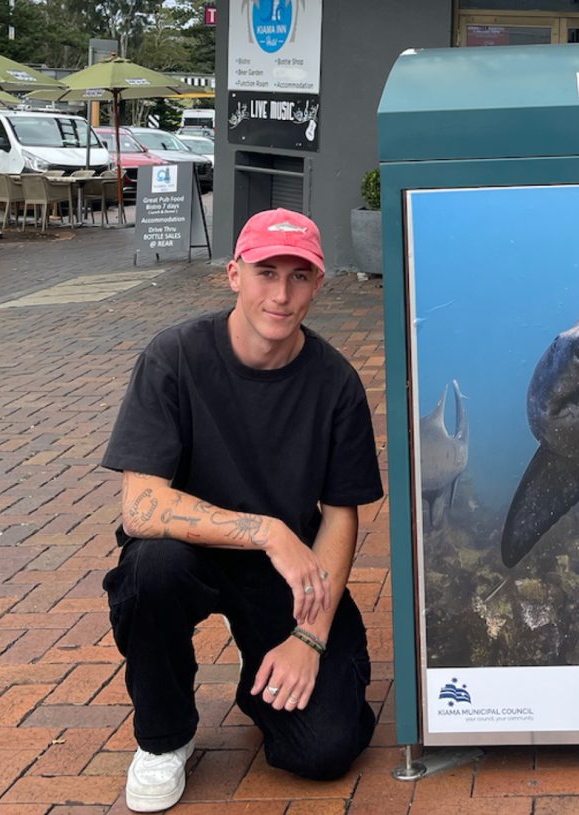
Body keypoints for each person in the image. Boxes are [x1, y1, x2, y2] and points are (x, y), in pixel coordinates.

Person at [100, 208, 384, 812]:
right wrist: (266, 530)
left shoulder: (335, 382)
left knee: (326, 751)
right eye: (265, 272)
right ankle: (164, 737)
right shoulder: (174, 357)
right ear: (233, 274)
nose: (280, 294)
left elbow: (340, 516)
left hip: (286, 575)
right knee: (148, 572)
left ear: (318, 285)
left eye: (299, 276)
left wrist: (310, 635)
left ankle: (263, 678)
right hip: (188, 555)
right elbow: (142, 507)